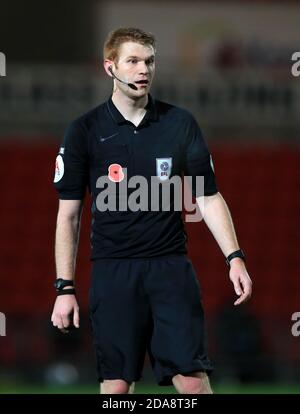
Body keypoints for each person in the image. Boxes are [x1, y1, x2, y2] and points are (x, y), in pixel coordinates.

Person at [51, 27, 252, 394]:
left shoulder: (180, 124)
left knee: (192, 383)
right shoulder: (84, 130)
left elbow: (207, 198)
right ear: (109, 67)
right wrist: (65, 288)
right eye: (133, 61)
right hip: (113, 271)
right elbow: (69, 216)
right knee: (115, 387)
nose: (143, 69)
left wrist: (234, 257)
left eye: (149, 61)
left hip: (170, 269)